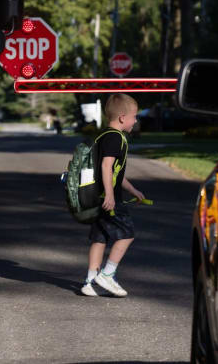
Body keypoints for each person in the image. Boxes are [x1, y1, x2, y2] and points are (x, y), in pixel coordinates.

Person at [81, 93, 144, 297]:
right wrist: (110, 195)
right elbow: (106, 166)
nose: (135, 121)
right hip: (108, 199)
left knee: (100, 238)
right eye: (134, 116)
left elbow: (115, 172)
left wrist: (132, 190)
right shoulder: (115, 138)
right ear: (122, 117)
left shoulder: (103, 136)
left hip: (96, 197)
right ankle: (107, 274)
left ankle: (90, 281)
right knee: (127, 234)